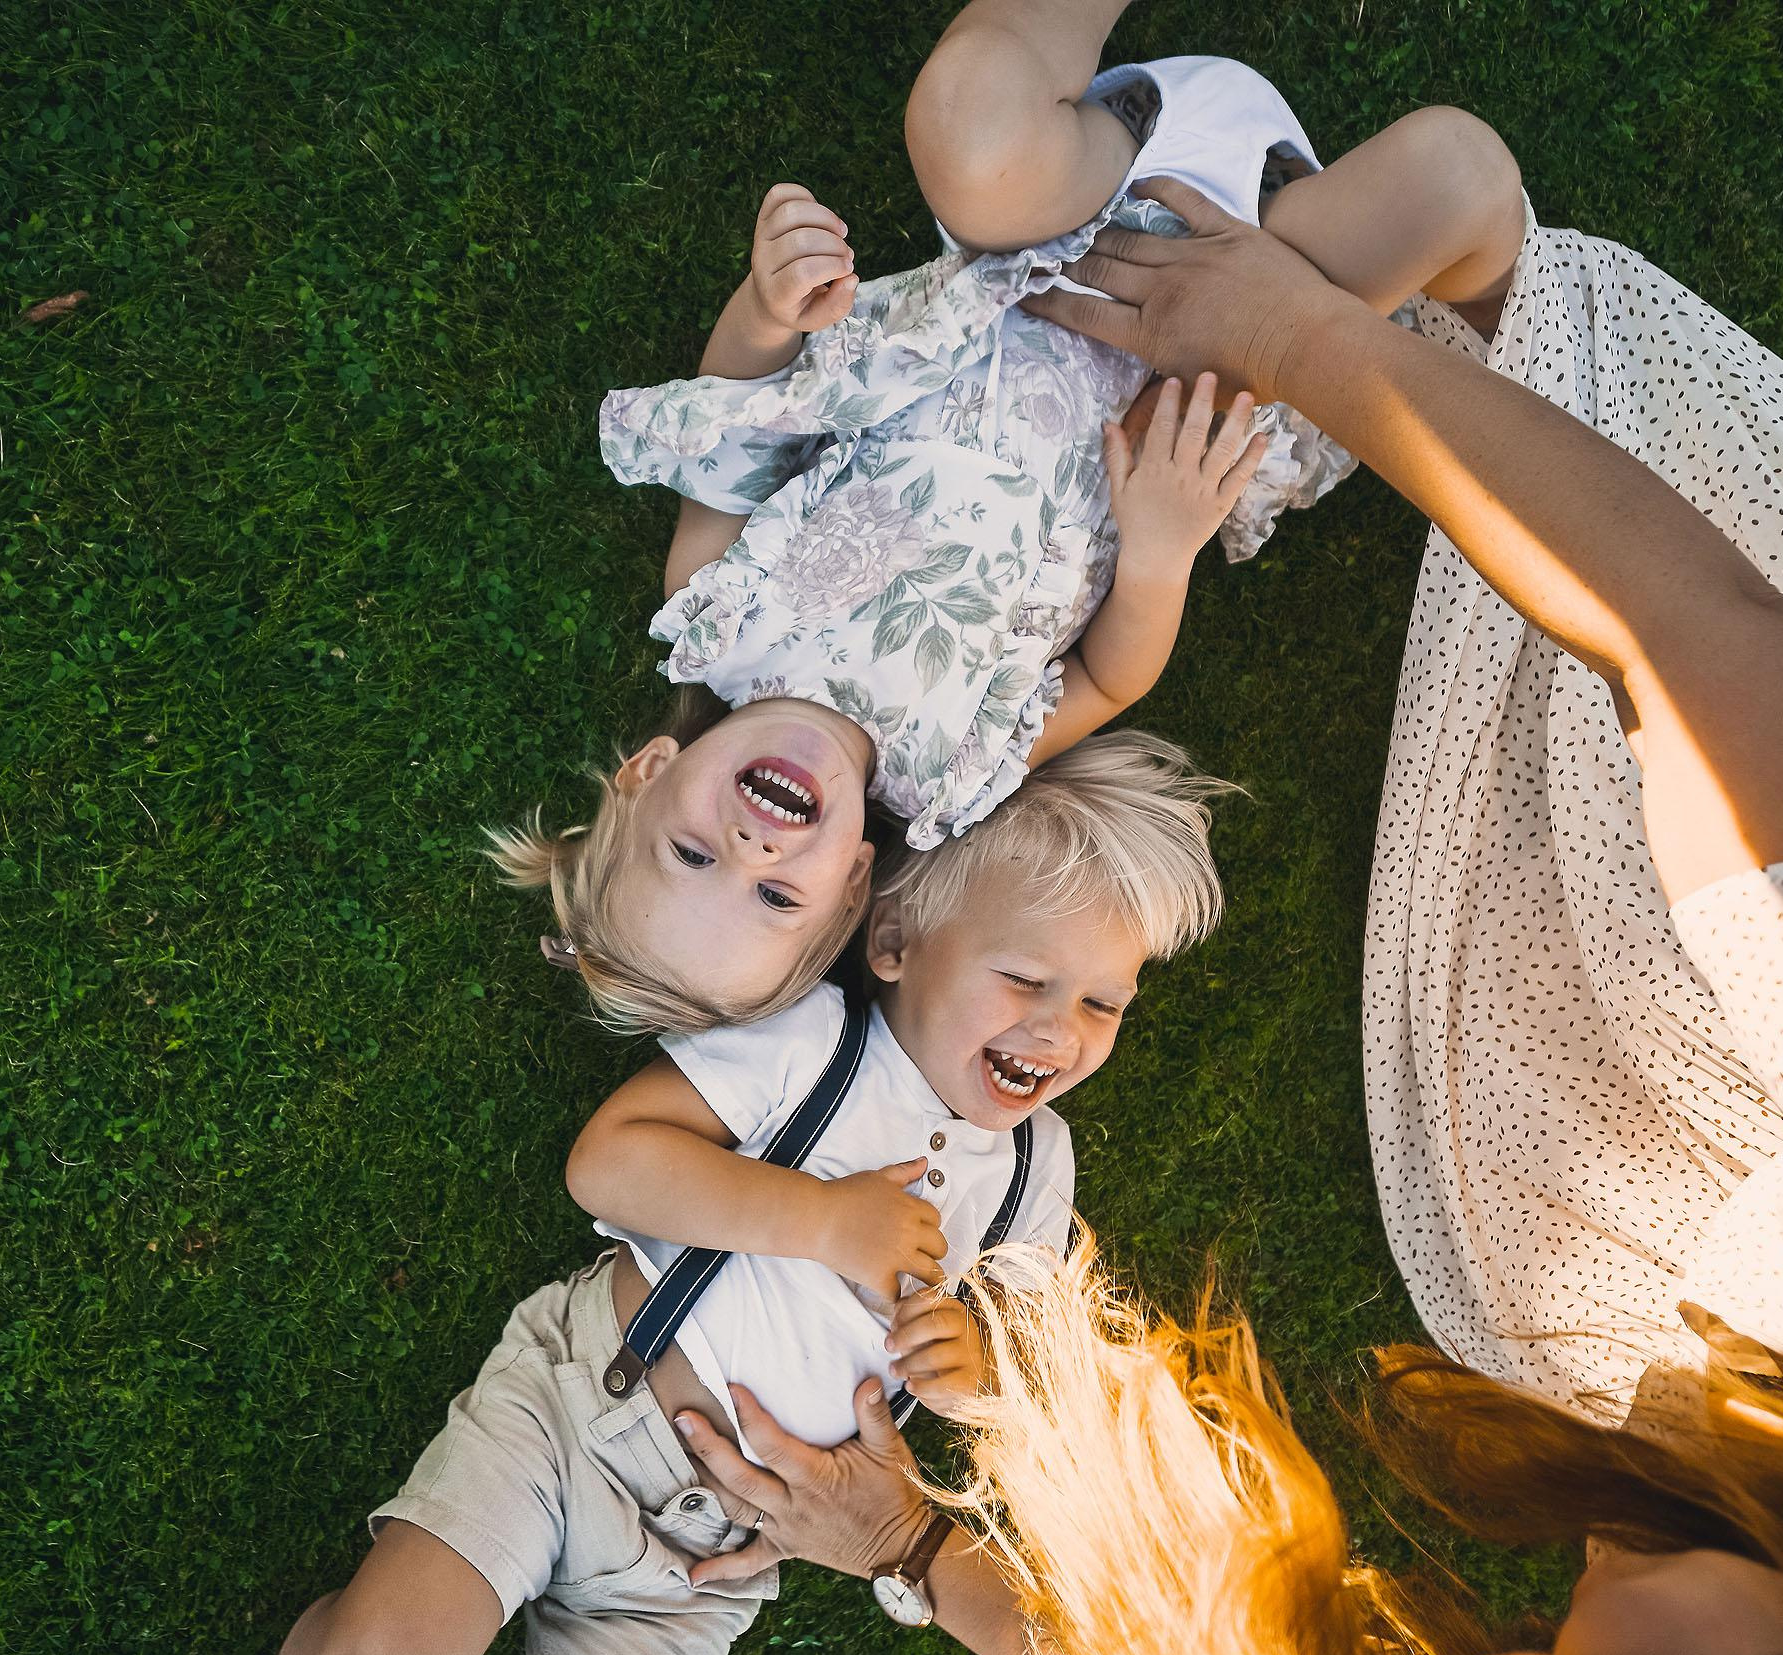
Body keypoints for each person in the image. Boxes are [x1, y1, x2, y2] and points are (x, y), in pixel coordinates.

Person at [665, 83, 1783, 1655]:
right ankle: (1484, 272)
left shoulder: (819, 732)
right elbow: (1704, 644)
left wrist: (916, 1539)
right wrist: (1304, 341)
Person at [490, 0, 1479, 1036]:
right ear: (854, 882)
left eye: (692, 854)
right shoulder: (953, 772)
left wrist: (767, 309)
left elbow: (734, 422)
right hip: (1197, 356)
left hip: (1046, 255)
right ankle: (1361, 229)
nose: (753, 850)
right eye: (777, 898)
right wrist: (1161, 547)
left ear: (650, 771)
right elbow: (1109, 679)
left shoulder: (716, 616)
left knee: (967, 127)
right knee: (1452, 177)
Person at [278, 731, 1232, 1655]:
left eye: (1103, 1003)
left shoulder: (1036, 1160)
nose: (1060, 1032)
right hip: (583, 1414)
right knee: (379, 1649)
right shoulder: (816, 1041)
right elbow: (609, 1162)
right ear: (894, 940)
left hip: (714, 1556)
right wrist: (822, 1219)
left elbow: (1035, 1366)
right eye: (1024, 978)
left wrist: (972, 1375)